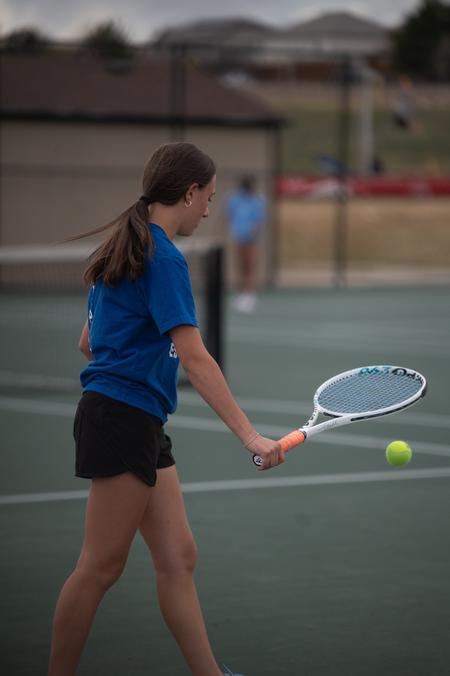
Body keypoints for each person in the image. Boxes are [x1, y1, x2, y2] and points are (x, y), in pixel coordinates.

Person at [47, 142, 284, 676]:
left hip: (135, 418)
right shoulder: (163, 258)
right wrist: (250, 436)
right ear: (190, 192)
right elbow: (196, 360)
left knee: (178, 556)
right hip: (122, 420)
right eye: (209, 198)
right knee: (99, 568)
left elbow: (88, 341)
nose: (209, 210)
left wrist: (132, 359)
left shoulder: (124, 247)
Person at [226, 175, 267, 313]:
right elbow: (230, 215)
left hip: (252, 238)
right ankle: (242, 294)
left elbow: (259, 220)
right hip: (239, 237)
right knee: (241, 265)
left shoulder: (258, 200)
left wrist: (253, 233)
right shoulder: (235, 199)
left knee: (250, 265)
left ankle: (249, 295)